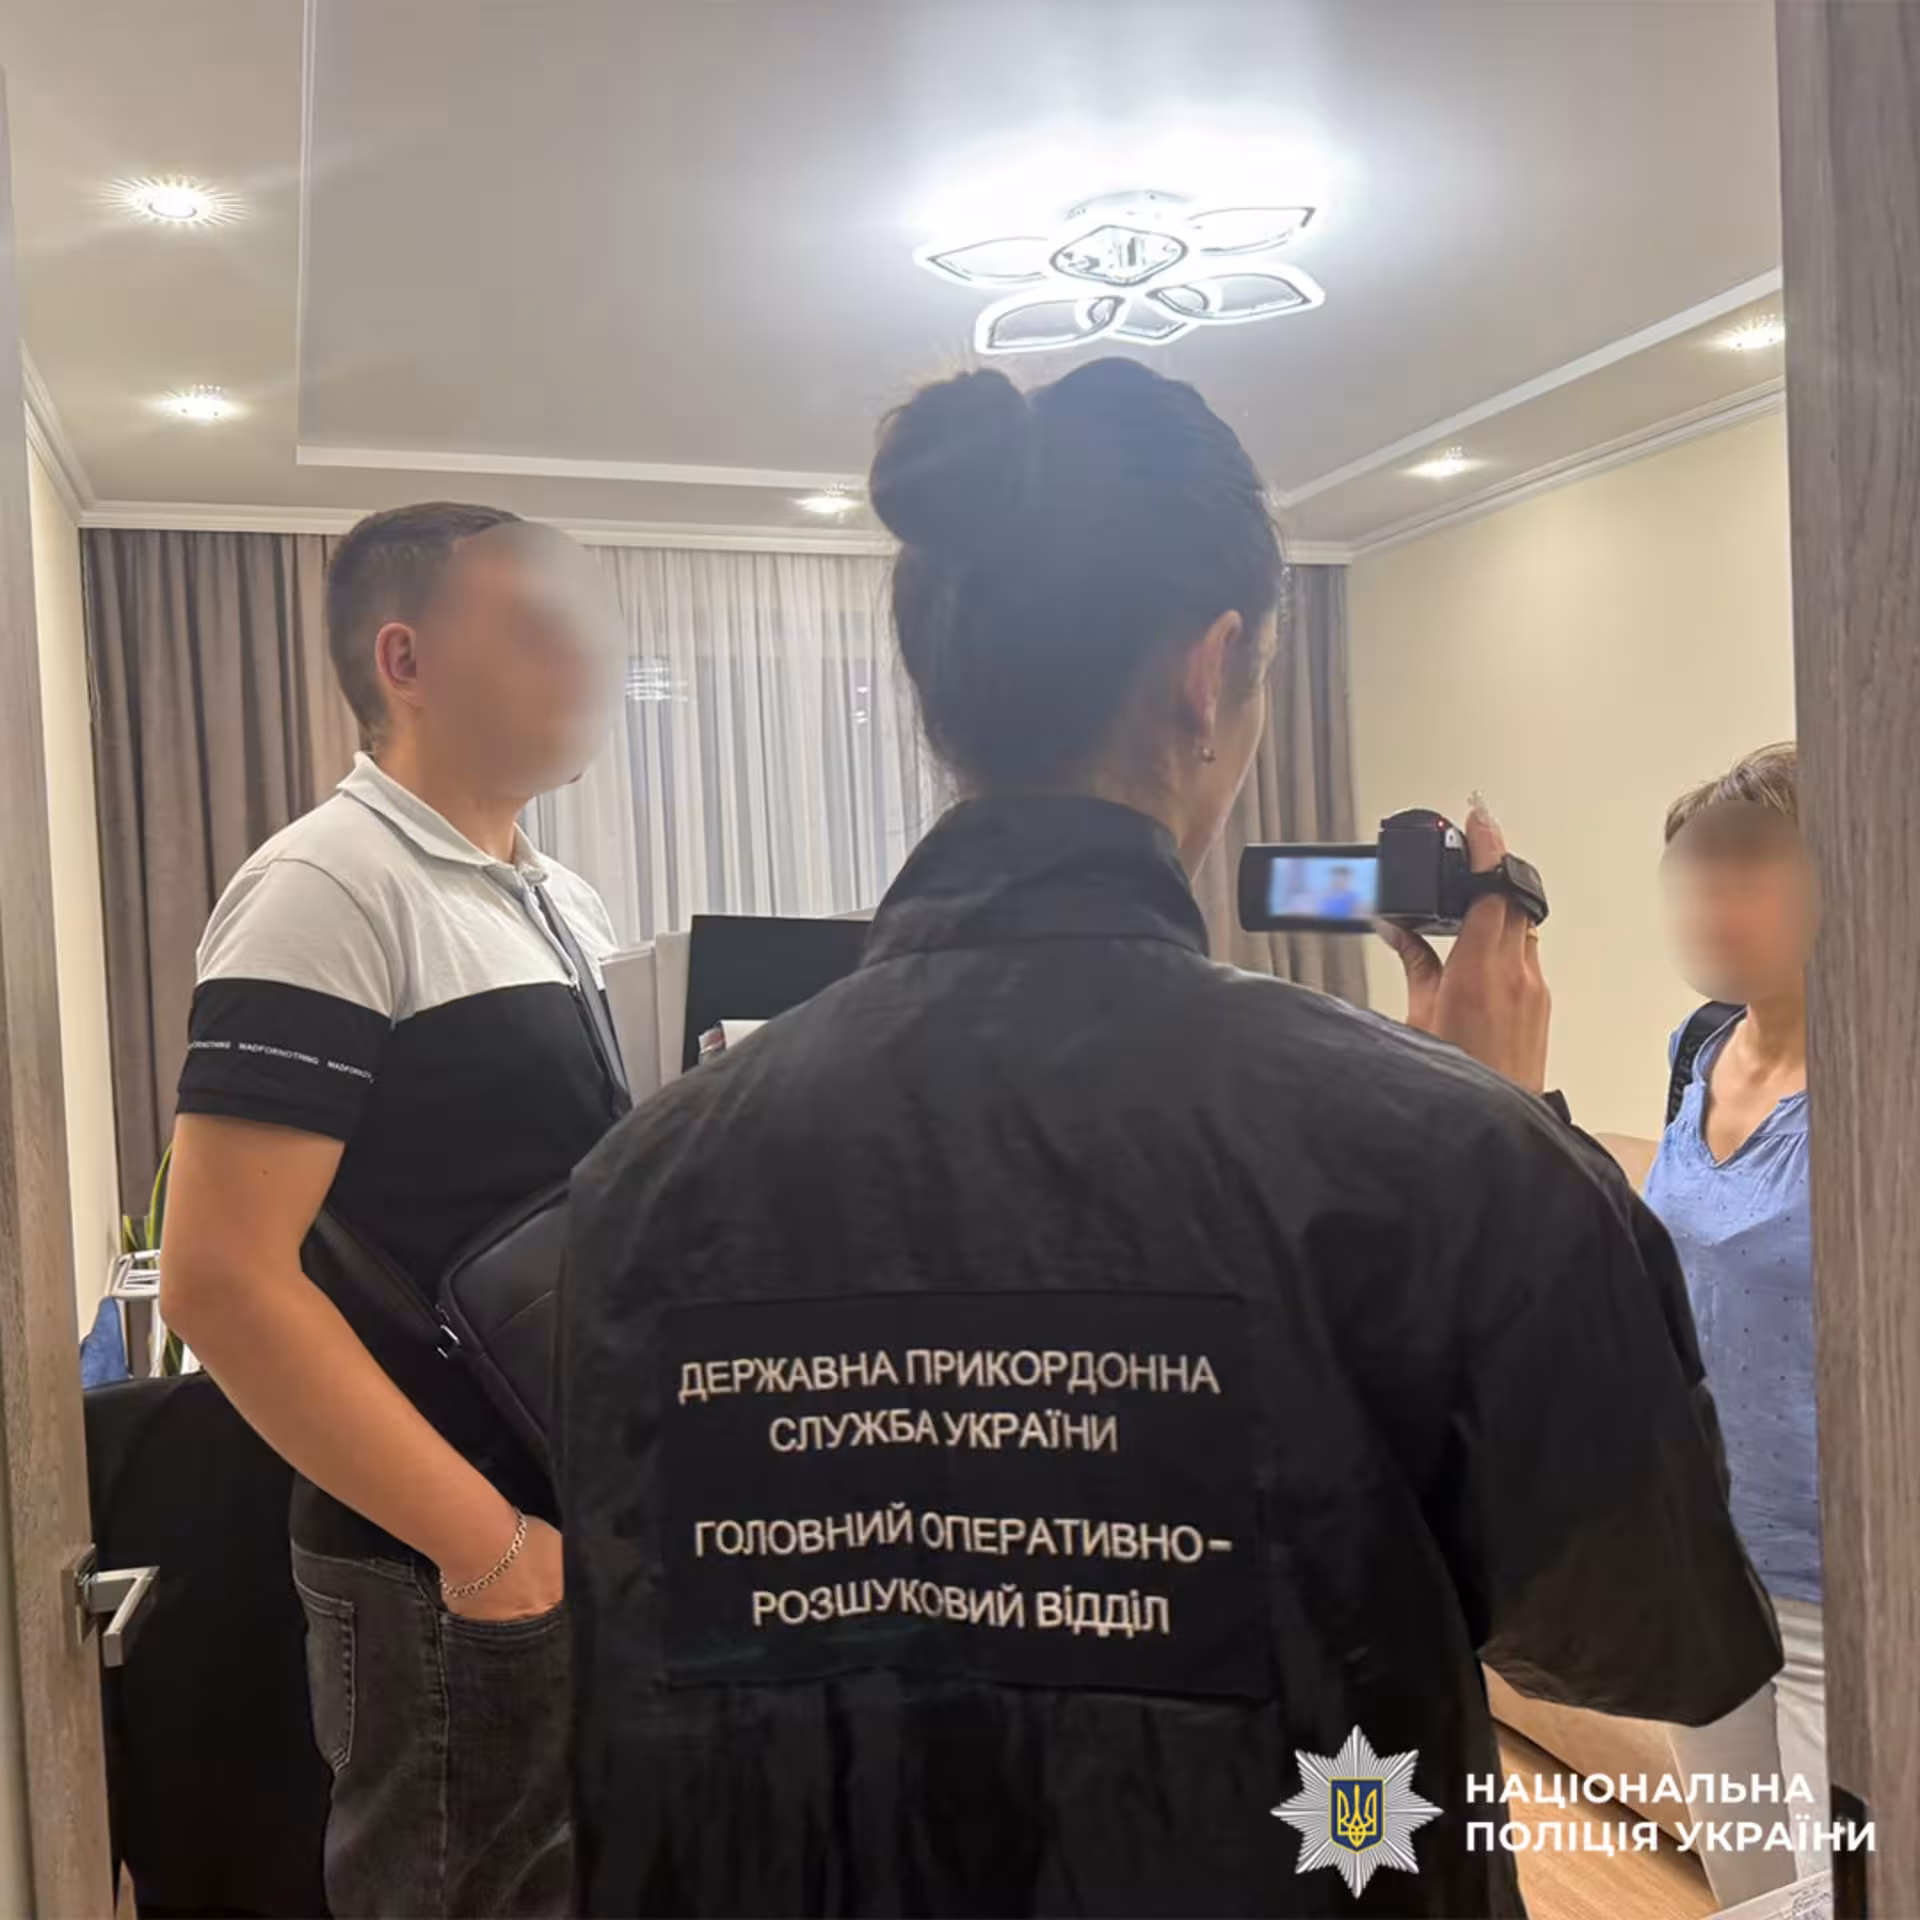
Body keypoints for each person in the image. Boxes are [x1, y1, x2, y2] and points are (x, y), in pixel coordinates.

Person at [559, 358, 1780, 1918]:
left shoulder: (644, 1177)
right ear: (1211, 676)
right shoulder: (1434, 1153)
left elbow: (648, 1703)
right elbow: (1648, 1630)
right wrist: (1504, 1128)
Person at [160, 503, 626, 1919]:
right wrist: (487, 1549)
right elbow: (222, 1279)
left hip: (558, 1526)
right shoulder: (324, 885)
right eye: (534, 627)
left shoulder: (555, 898)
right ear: (405, 660)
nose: (583, 658)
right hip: (442, 1562)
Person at [1644, 744, 1825, 1903]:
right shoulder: (1696, 1047)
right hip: (1704, 1561)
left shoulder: (1884, 1077)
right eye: (1698, 872)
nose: (1713, 900)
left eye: (1747, 869)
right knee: (1750, 1894)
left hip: (1841, 1590)